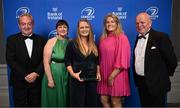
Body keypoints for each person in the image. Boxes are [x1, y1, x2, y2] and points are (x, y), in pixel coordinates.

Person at [133, 12, 177, 107]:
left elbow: (172, 60)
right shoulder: (138, 37)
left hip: (157, 83)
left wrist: (162, 76)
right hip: (142, 83)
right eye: (137, 23)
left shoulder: (161, 37)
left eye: (142, 22)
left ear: (150, 23)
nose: (139, 25)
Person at [6, 13, 46, 107]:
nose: (26, 26)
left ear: (33, 24)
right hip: (19, 81)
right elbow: (10, 60)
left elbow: (45, 59)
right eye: (23, 24)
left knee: (36, 105)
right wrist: (25, 75)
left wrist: (36, 73)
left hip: (36, 81)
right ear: (19, 25)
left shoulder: (42, 40)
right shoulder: (11, 40)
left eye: (29, 23)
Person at [65, 18, 101, 107]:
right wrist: (73, 74)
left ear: (90, 29)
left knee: (91, 104)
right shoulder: (72, 43)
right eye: (82, 27)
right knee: (78, 104)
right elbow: (67, 61)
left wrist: (98, 72)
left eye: (86, 27)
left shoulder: (94, 44)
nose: (84, 29)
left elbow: (97, 61)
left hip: (92, 80)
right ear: (78, 29)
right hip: (78, 80)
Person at [97, 13, 131, 107]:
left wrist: (112, 76)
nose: (110, 24)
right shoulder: (103, 38)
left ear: (117, 24)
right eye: (107, 22)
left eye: (112, 21)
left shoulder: (122, 38)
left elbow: (123, 59)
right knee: (103, 99)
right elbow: (100, 58)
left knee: (115, 100)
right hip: (104, 73)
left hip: (117, 74)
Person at [41, 19, 69, 107]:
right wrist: (50, 80)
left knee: (66, 98)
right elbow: (46, 62)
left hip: (67, 74)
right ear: (56, 29)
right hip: (54, 74)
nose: (62, 29)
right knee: (53, 99)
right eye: (60, 27)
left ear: (68, 29)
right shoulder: (51, 42)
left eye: (65, 27)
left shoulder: (71, 41)